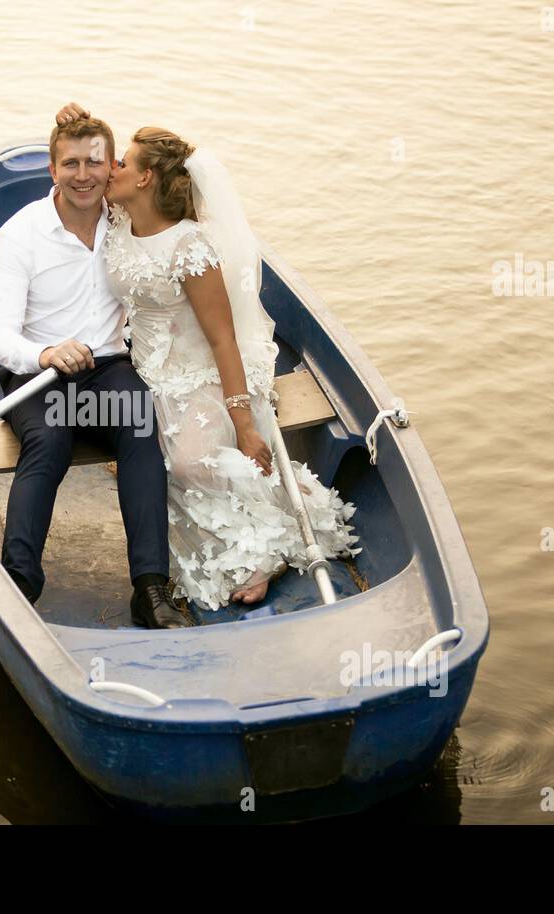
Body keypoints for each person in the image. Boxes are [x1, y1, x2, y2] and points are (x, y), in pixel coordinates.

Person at [56, 102, 360, 610]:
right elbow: (73, 179)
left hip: (199, 375)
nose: (109, 171)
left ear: (146, 178)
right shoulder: (117, 217)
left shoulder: (190, 248)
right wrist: (75, 120)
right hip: (142, 371)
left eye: (122, 164)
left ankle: (275, 542)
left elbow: (223, 339)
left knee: (191, 463)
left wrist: (242, 420)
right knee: (151, 460)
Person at [0, 114, 187, 629]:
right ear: (52, 168)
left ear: (112, 166)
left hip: (107, 367)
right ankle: (20, 579)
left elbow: (180, 235)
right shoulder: (21, 234)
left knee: (140, 424)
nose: (82, 175)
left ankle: (150, 589)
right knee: (49, 439)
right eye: (70, 163)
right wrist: (45, 353)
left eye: (94, 162)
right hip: (37, 374)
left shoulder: (126, 219)